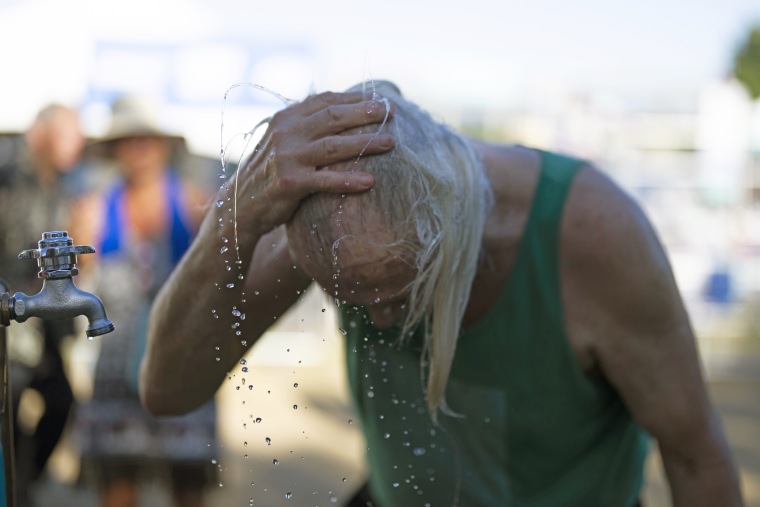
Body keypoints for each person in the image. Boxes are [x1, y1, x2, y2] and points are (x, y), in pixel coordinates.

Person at [139, 81, 744, 506]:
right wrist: (231, 217)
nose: (378, 316)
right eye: (348, 296)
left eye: (400, 290)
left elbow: (696, 457)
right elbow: (167, 391)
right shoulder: (331, 221)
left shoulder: (593, 237)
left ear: (452, 231)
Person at [70, 95, 215, 507]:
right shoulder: (93, 212)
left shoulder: (194, 204)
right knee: (118, 488)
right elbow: (77, 286)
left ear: (163, 144)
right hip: (116, 371)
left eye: (146, 139)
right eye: (129, 140)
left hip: (183, 363)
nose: (138, 149)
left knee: (188, 488)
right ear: (115, 148)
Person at [0, 103, 85, 506]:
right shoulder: (8, 175)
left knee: (61, 400)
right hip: (9, 313)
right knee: (10, 400)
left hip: (41, 321)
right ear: (42, 135)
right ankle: (14, 485)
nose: (77, 143)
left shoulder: (60, 186)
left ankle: (24, 481)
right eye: (68, 134)